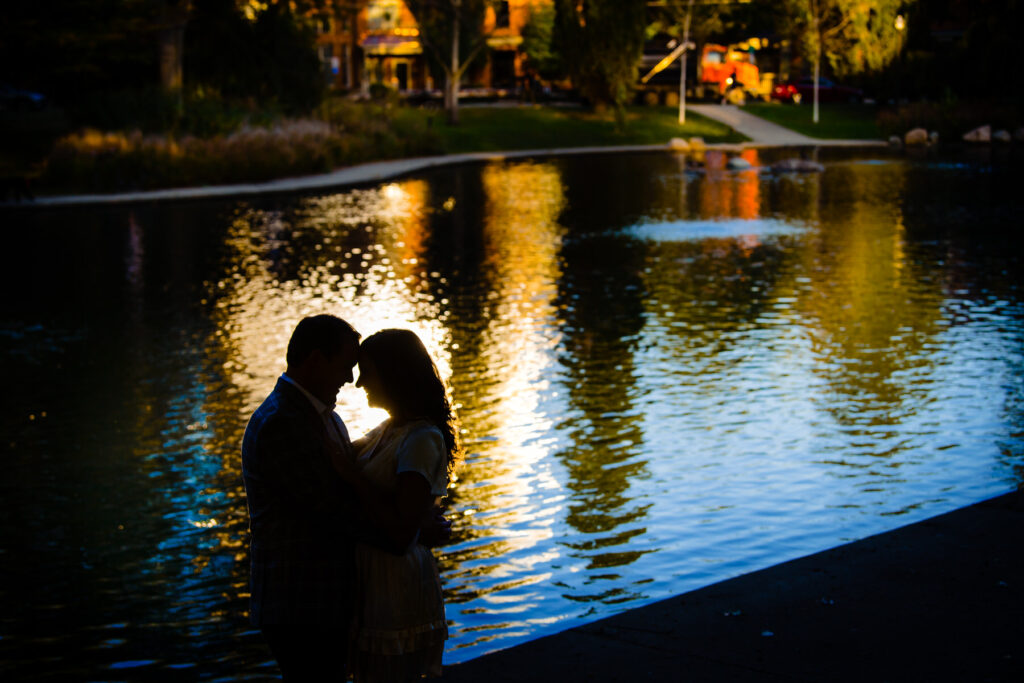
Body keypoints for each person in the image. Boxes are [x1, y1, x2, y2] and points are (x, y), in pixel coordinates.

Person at [241, 316, 450, 680]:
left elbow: (358, 493)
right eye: (347, 366)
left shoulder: (322, 416)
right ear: (316, 360)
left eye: (362, 369)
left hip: (326, 602)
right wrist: (412, 529)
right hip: (300, 603)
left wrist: (412, 519)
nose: (352, 380)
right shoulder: (284, 423)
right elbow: (335, 511)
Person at [330, 329, 460, 682]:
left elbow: (402, 533)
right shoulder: (388, 429)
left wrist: (353, 478)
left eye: (367, 372)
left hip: (397, 583)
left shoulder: (421, 438)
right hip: (375, 580)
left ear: (394, 373)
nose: (358, 384)